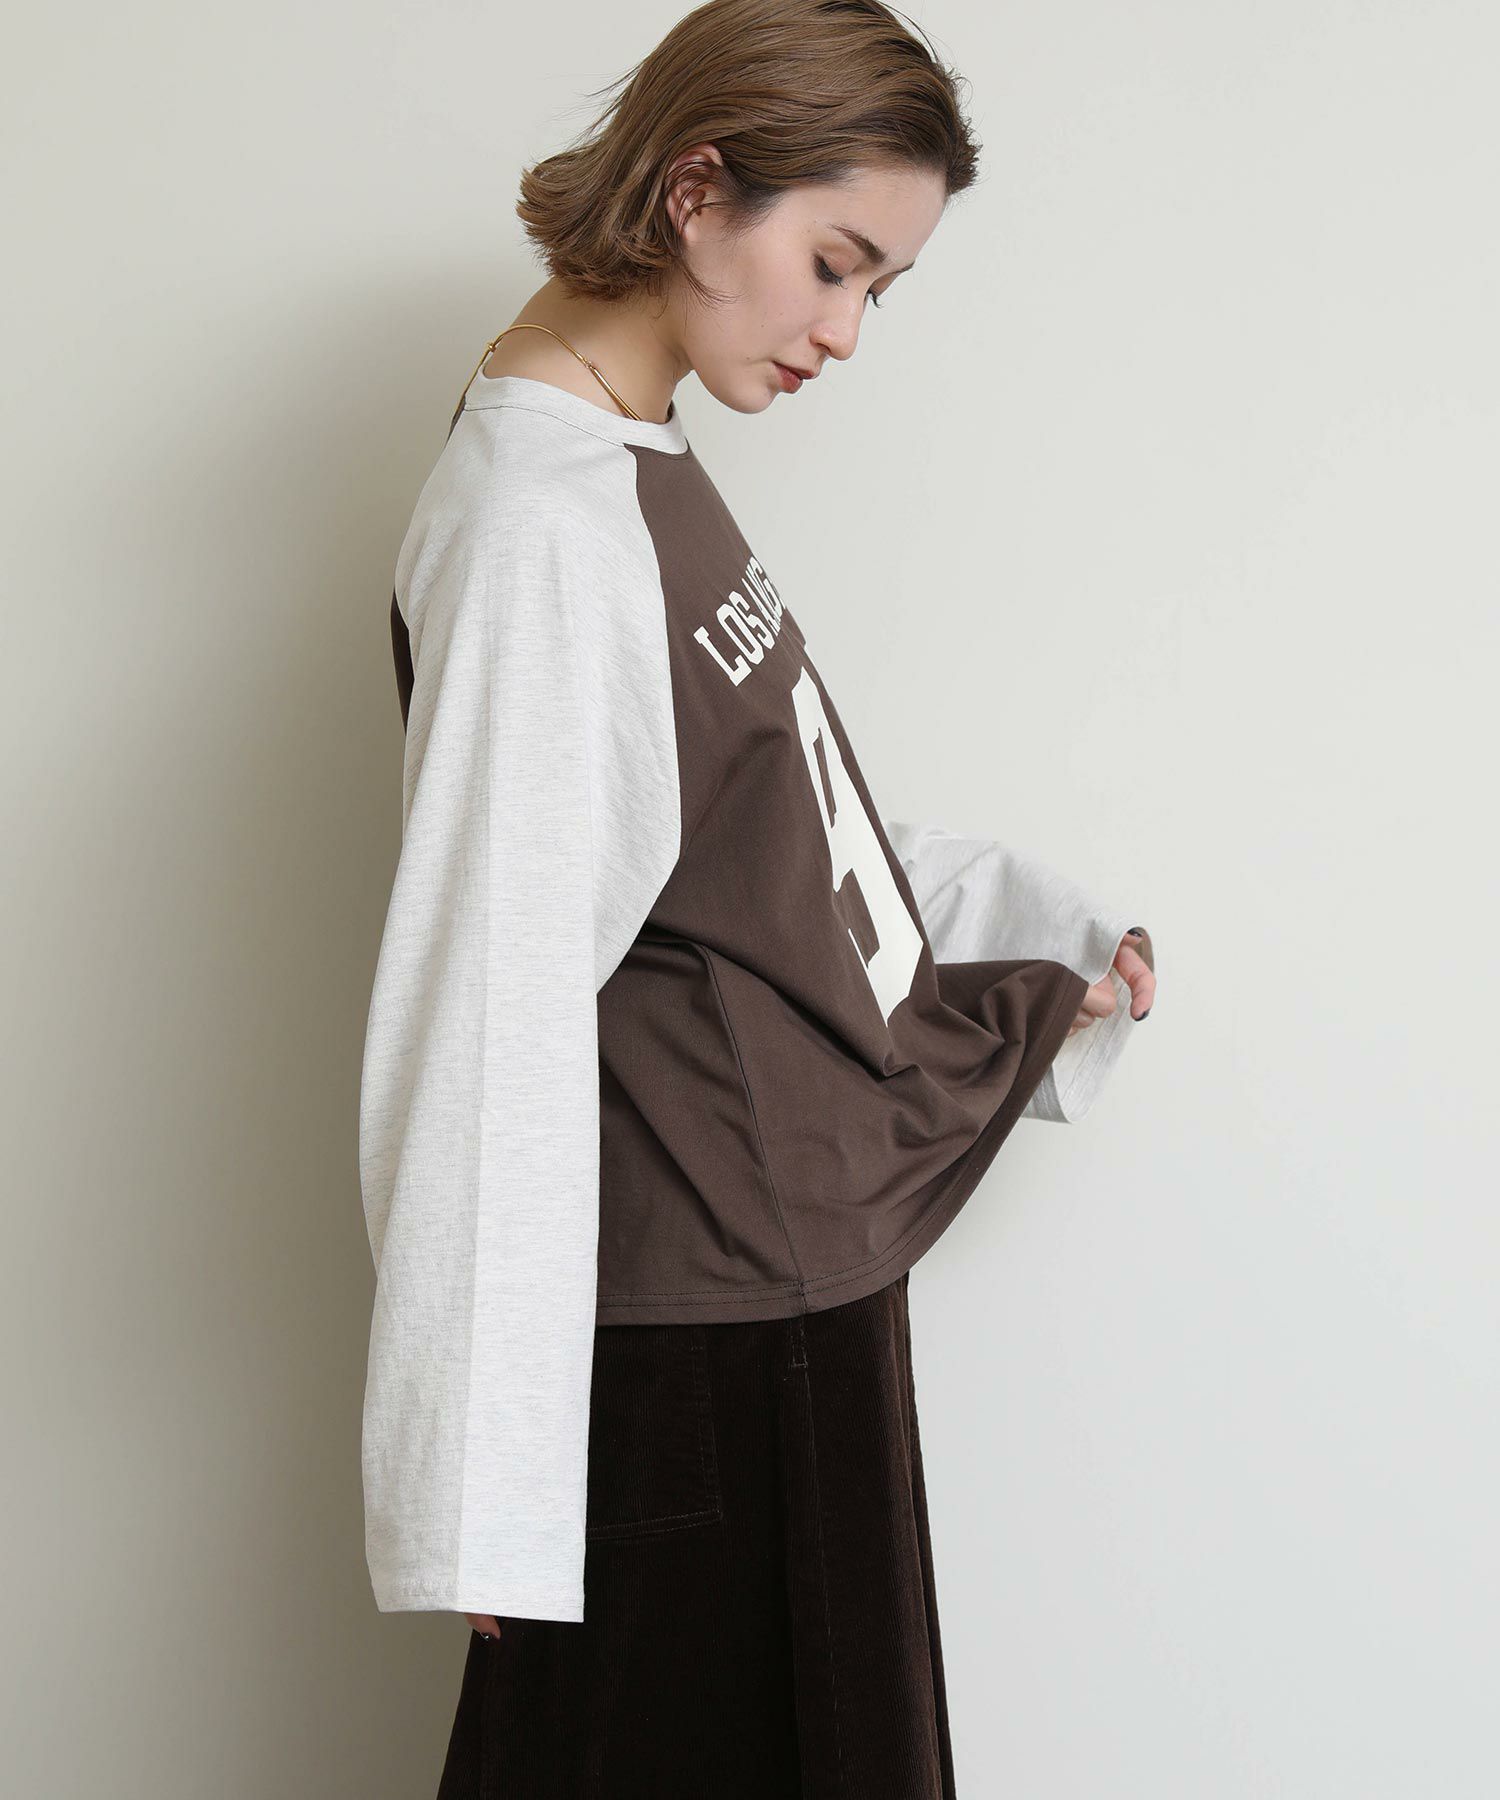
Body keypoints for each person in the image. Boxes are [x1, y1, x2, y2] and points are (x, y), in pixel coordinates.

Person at [356, 1, 1158, 1793]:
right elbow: (485, 997)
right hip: (704, 1362)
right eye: (836, 263)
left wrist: (1029, 941)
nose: (846, 332)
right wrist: (480, 1483)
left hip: (775, 1316)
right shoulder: (540, 525)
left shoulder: (632, 460)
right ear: (699, 188)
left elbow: (760, 822)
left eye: (882, 289)